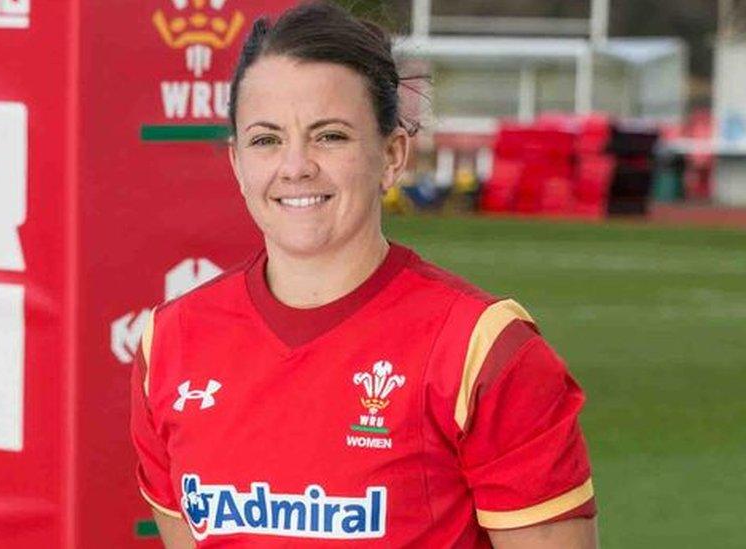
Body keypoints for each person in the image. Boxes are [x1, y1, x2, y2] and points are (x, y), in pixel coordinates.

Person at [130, 2, 597, 547]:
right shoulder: (171, 341)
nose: (295, 165)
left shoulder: (483, 349)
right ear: (237, 162)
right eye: (266, 139)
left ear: (392, 155)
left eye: (330, 136)